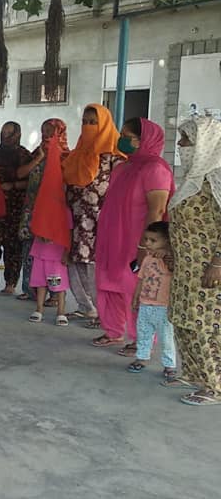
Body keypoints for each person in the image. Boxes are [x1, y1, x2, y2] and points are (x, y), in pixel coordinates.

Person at [92, 118, 174, 353]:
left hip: (137, 240)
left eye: (128, 136)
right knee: (109, 284)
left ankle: (142, 339)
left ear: (145, 139)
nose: (122, 140)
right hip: (112, 237)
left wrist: (145, 247)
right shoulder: (123, 167)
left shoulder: (155, 169)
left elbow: (156, 210)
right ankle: (113, 331)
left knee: (136, 290)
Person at [167, 116, 221, 404]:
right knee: (183, 320)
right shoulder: (191, 180)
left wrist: (218, 263)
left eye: (186, 139)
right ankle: (193, 373)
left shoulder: (217, 178)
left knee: (205, 325)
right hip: (185, 265)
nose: (180, 144)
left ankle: (215, 386)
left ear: (204, 144)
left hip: (208, 269)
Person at [63, 105, 121, 327]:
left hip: (100, 221)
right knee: (74, 262)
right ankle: (85, 307)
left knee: (93, 266)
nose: (88, 126)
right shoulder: (78, 152)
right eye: (85, 122)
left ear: (105, 124)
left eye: (93, 122)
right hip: (75, 219)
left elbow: (120, 189)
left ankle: (103, 312)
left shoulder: (114, 156)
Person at [16, 119, 68, 302]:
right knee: (30, 251)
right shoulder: (36, 153)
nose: (46, 135)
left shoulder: (66, 156)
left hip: (54, 213)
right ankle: (31, 290)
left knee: (52, 256)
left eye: (51, 131)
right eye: (44, 130)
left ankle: (55, 294)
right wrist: (39, 157)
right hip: (32, 209)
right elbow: (21, 174)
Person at [0, 121, 32, 295]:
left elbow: (33, 182)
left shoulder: (25, 156)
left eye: (10, 133)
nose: (6, 136)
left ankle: (11, 283)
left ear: (18, 134)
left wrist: (13, 185)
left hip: (15, 208)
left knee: (13, 246)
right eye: (4, 132)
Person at [126, 222, 176, 378]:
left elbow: (176, 270)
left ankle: (169, 365)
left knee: (166, 338)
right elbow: (140, 280)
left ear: (167, 242)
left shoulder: (171, 259)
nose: (148, 243)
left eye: (154, 241)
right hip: (146, 304)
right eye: (146, 239)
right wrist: (135, 299)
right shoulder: (147, 259)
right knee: (144, 333)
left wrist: (168, 253)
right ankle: (142, 358)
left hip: (163, 306)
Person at [27, 209, 72, 326]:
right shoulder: (41, 208)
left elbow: (69, 231)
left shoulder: (65, 211)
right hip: (40, 252)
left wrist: (67, 252)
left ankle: (61, 311)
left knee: (58, 284)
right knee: (40, 282)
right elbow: (33, 226)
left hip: (56, 254)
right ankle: (39, 309)